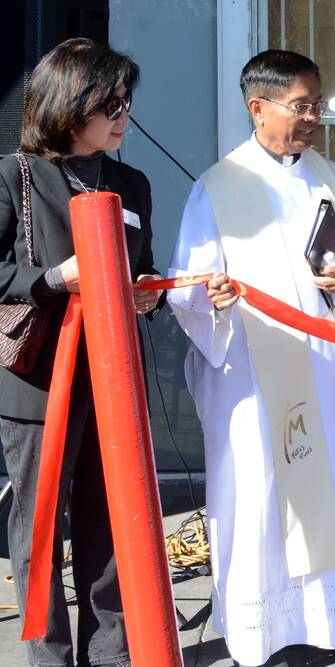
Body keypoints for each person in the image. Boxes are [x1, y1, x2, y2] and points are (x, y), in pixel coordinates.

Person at [167, 50, 335, 666]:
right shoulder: (217, 187)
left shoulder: (333, 179)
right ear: (257, 107)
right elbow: (186, 284)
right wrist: (208, 297)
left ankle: (330, 627)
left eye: (318, 105)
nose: (312, 117)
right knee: (258, 497)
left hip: (322, 364)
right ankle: (257, 634)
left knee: (324, 489)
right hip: (251, 378)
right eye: (300, 105)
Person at [0, 38, 160, 667]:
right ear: (70, 103)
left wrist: (150, 291)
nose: (125, 115)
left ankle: (110, 652)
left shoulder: (132, 183)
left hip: (114, 374)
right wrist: (51, 279)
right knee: (41, 526)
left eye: (127, 102)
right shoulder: (14, 174)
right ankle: (49, 656)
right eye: (111, 104)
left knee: (110, 518)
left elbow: (143, 267)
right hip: (39, 381)